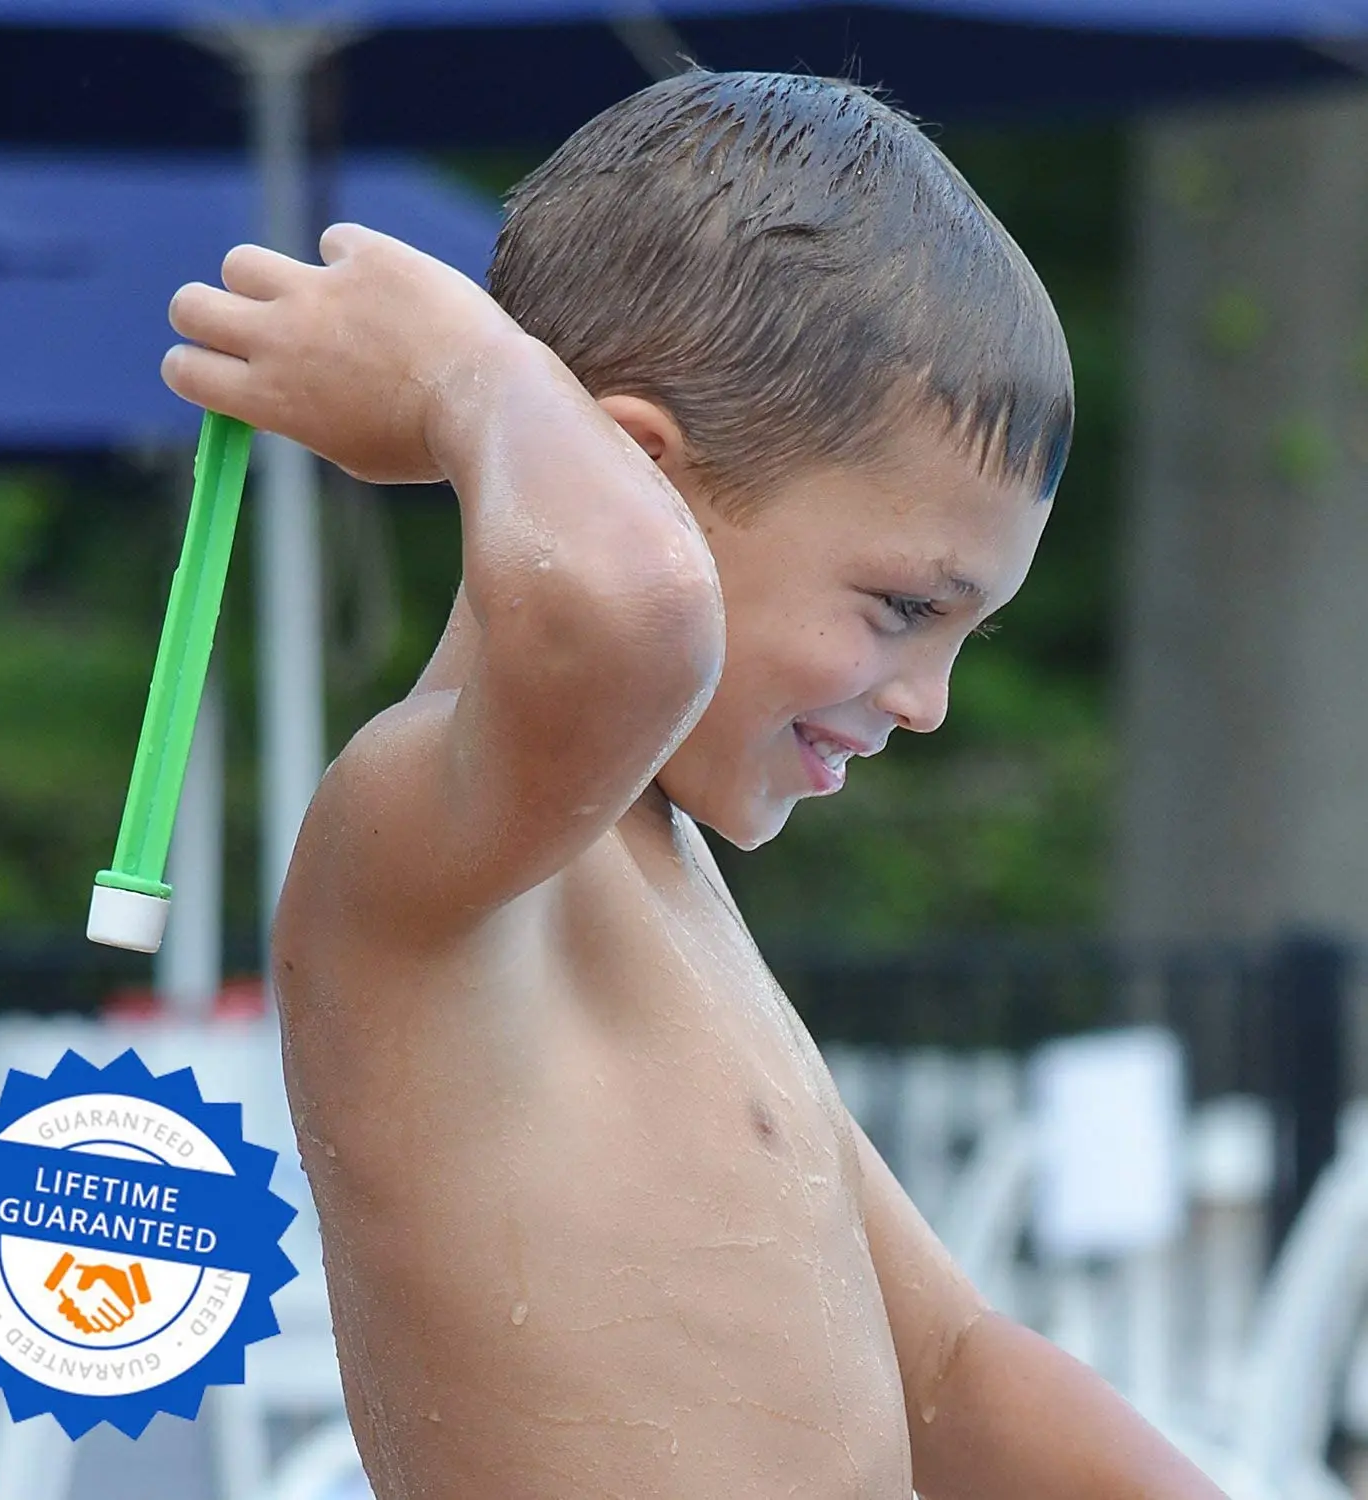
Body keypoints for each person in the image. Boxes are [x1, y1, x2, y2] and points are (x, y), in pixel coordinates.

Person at [164, 69, 1224, 1500]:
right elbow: (632, 616)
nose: (926, 701)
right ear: (637, 477)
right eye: (905, 608)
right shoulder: (422, 831)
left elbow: (952, 1370)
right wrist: (467, 374)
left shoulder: (670, 884)